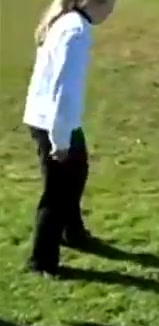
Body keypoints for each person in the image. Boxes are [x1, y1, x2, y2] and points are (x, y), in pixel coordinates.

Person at [22, 0, 116, 277]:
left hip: (52, 119)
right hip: (54, 123)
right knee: (58, 192)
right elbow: (64, 92)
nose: (112, 11)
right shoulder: (75, 32)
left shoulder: (68, 21)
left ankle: (73, 232)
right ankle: (42, 261)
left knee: (76, 175)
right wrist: (60, 142)